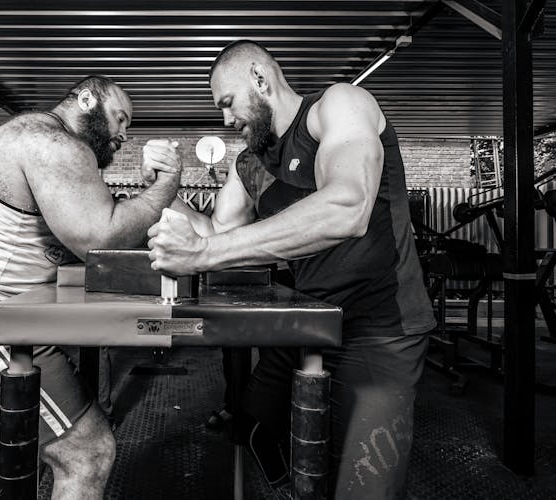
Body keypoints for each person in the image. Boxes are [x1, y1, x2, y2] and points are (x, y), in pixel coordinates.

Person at [146, 41, 435, 499]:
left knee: (362, 485)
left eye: (228, 103)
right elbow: (216, 229)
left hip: (378, 329)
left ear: (260, 79)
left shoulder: (337, 106)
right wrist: (161, 188)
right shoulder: (251, 164)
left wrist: (200, 254)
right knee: (254, 424)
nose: (226, 120)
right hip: (308, 324)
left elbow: (347, 207)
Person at [0, 75, 181, 500]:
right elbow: (98, 239)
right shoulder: (49, 143)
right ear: (87, 100)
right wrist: (165, 185)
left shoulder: (49, 149)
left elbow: (91, 241)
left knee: (38, 452)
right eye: (119, 119)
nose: (123, 136)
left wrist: (147, 198)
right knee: (87, 451)